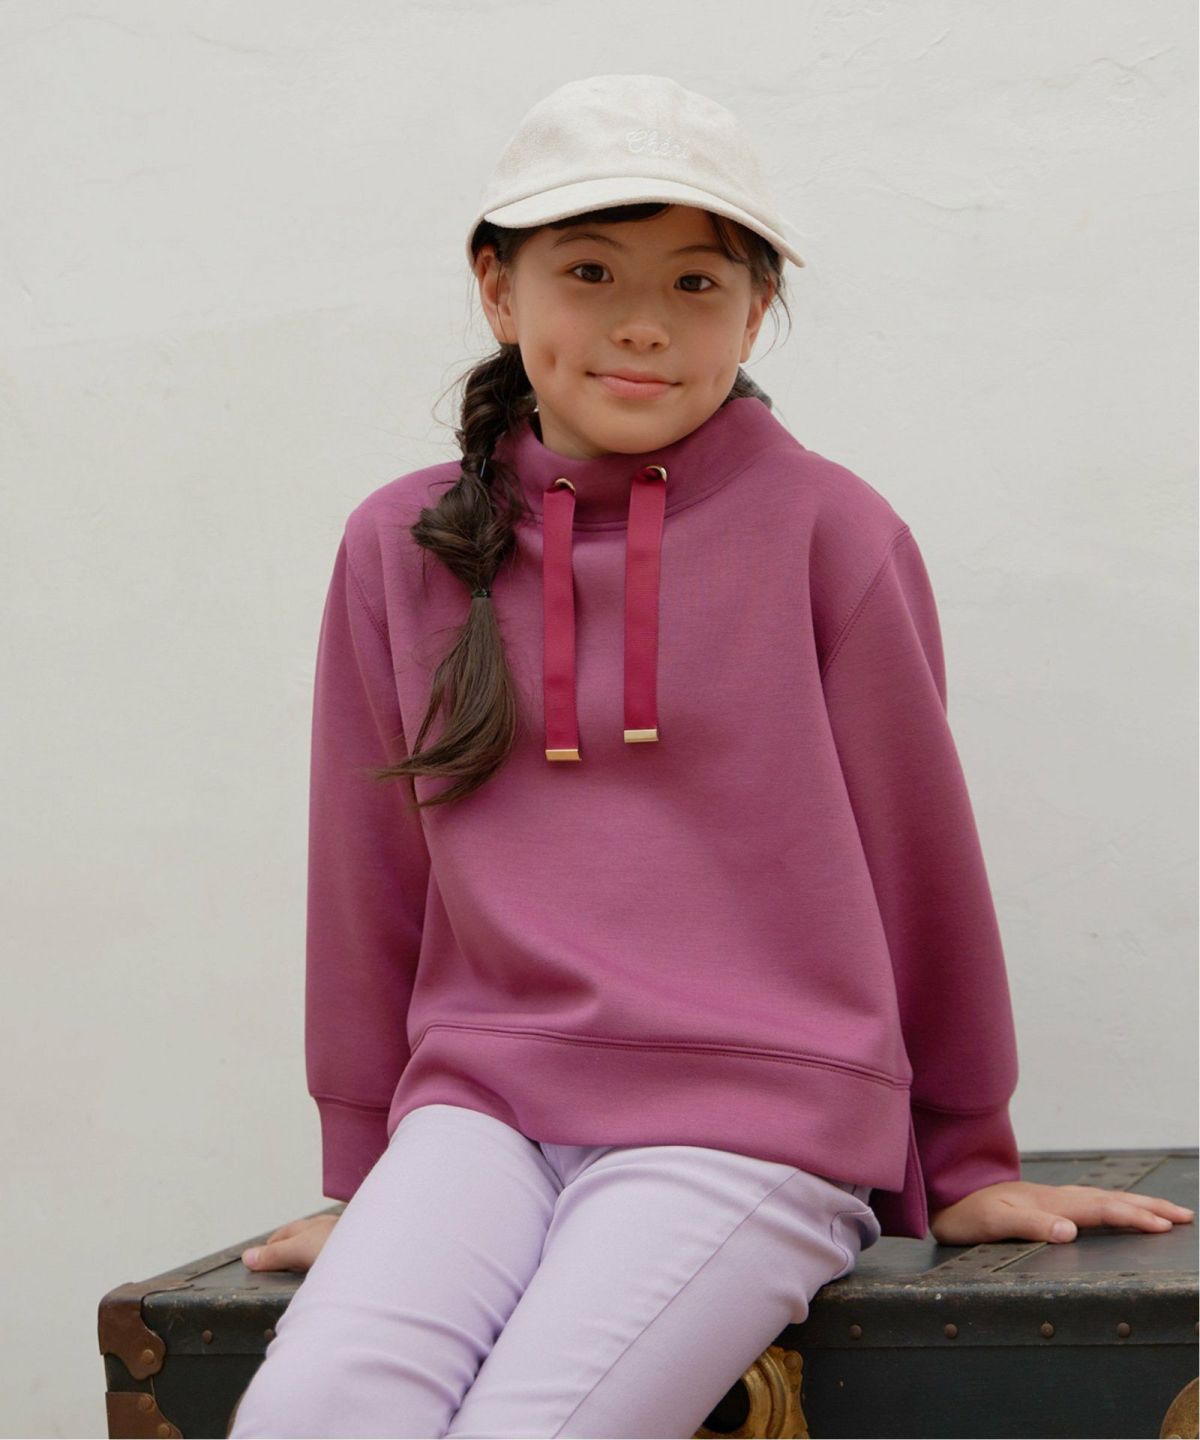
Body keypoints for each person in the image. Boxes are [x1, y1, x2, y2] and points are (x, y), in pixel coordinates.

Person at [228, 74, 1192, 1440]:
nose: (644, 322)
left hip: (756, 1119)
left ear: (756, 310)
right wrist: (366, 1175)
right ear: (497, 289)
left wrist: (963, 1155)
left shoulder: (830, 531)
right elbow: (368, 870)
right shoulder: (402, 544)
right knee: (309, 1413)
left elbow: (917, 857)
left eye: (697, 282)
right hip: (480, 1115)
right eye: (589, 271)